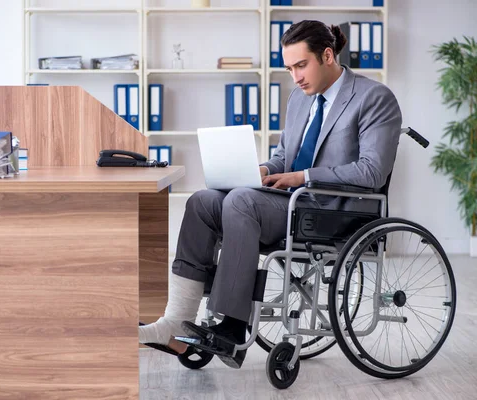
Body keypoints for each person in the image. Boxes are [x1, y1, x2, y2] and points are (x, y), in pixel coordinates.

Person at [138, 20, 402, 368]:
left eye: (301, 65)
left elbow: (372, 171)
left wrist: (301, 176)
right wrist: (262, 170)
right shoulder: (299, 100)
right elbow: (283, 157)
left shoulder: (373, 97)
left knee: (241, 201)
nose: (295, 76)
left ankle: (232, 327)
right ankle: (176, 322)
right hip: (291, 204)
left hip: (334, 211)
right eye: (289, 68)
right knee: (202, 201)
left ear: (327, 56)